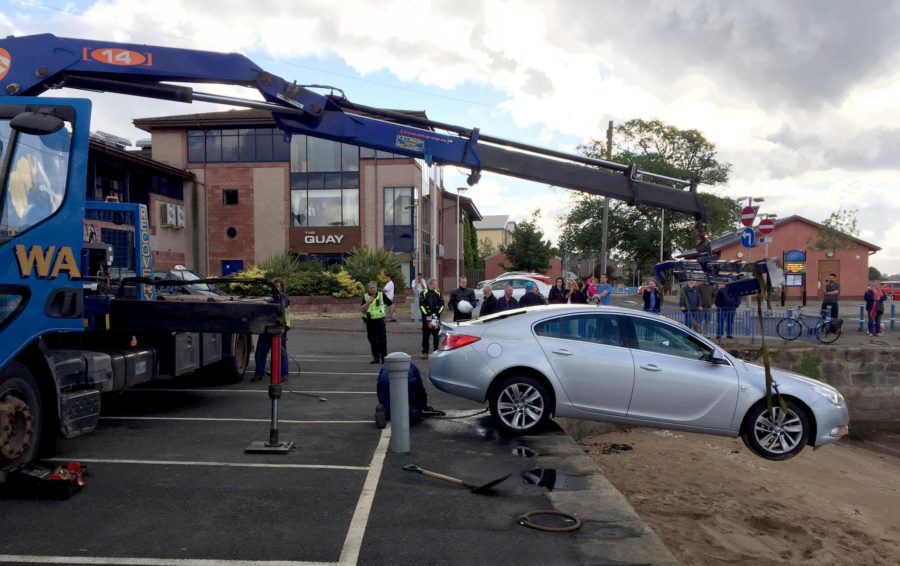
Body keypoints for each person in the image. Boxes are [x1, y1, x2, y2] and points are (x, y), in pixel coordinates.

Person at [253, 278, 290, 382]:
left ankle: (284, 374)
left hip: (279, 330)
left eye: (277, 286)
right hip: (266, 329)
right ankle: (259, 374)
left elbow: (281, 304)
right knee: (260, 352)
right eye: (274, 286)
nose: (275, 288)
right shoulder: (270, 298)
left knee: (280, 354)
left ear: (282, 288)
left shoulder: (285, 298)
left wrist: (266, 302)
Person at [362, 281, 391, 363]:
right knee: (372, 340)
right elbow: (362, 310)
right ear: (368, 289)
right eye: (371, 288)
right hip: (370, 321)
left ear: (376, 287)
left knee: (382, 340)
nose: (372, 289)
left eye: (374, 287)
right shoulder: (366, 296)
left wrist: (388, 316)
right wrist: (368, 302)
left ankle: (384, 357)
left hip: (380, 321)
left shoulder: (381, 295)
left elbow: (391, 304)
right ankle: (376, 357)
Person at [419, 278, 444, 359]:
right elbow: (421, 306)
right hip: (426, 319)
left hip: (436, 319)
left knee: (436, 336)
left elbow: (442, 305)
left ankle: (436, 351)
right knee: (425, 336)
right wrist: (427, 314)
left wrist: (437, 313)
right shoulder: (423, 293)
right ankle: (425, 352)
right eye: (435, 284)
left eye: (436, 284)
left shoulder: (439, 294)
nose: (436, 286)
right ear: (430, 285)